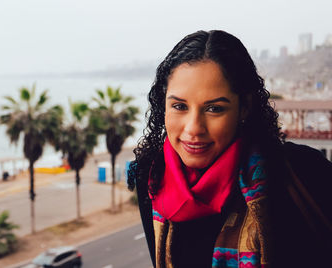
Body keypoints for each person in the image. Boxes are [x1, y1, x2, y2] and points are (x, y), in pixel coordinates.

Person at [127, 30, 332, 267]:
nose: (193, 128)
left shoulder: (302, 171)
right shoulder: (150, 177)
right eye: (180, 106)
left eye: (214, 109)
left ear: (244, 107)